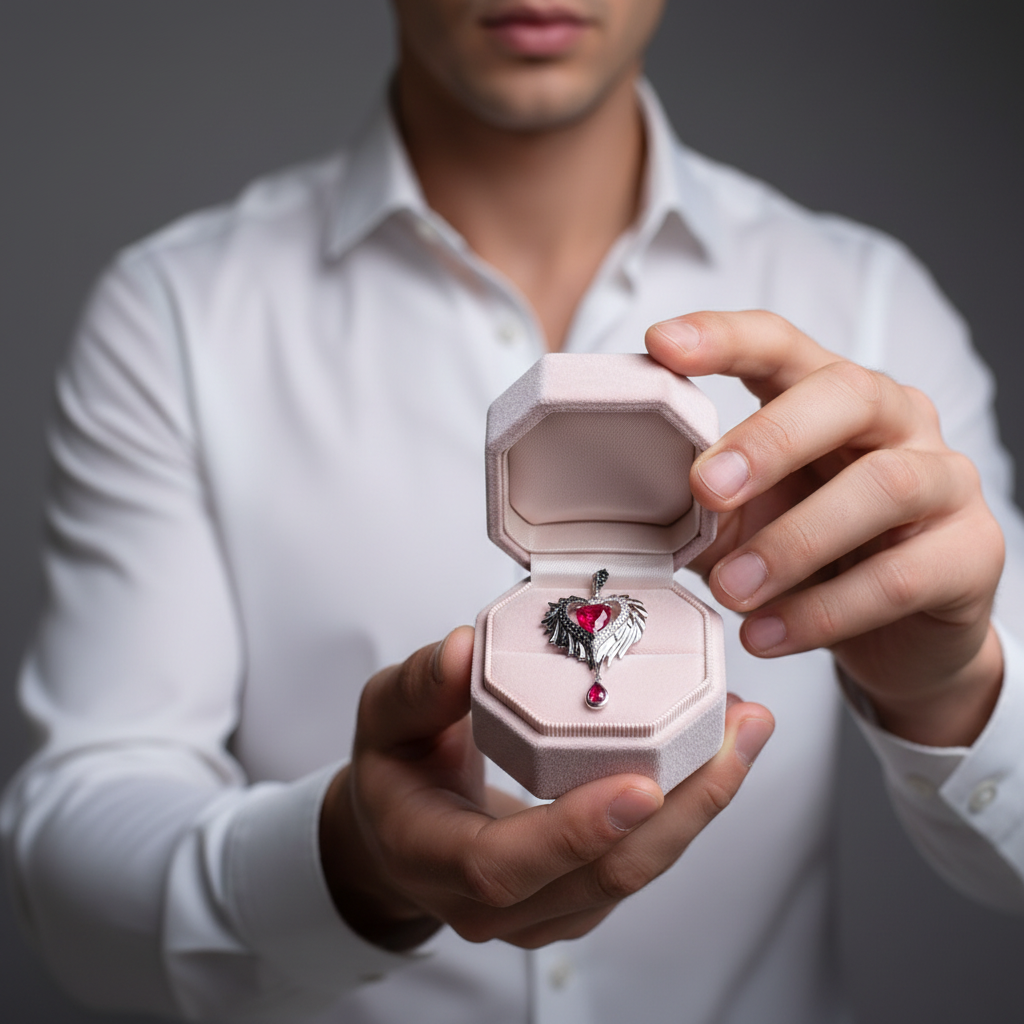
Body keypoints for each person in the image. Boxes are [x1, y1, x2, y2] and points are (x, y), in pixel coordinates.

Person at [3, 2, 1023, 1022]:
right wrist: (348, 862)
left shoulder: (871, 306)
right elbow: (71, 861)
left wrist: (953, 691)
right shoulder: (178, 318)